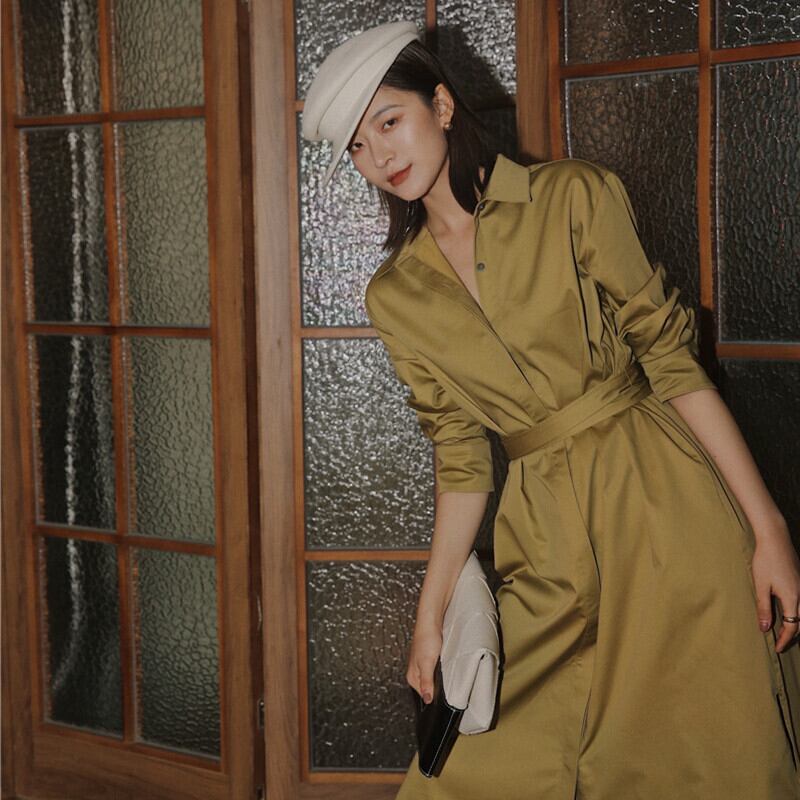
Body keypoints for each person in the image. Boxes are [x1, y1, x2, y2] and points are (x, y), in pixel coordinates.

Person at [302, 19, 800, 799]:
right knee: (468, 771)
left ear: (441, 105)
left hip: (663, 502)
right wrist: (429, 617)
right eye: (358, 148)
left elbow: (673, 363)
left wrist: (767, 530)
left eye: (388, 122)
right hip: (543, 538)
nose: (380, 156)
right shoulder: (395, 296)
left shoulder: (572, 196)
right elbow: (461, 459)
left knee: (701, 757)